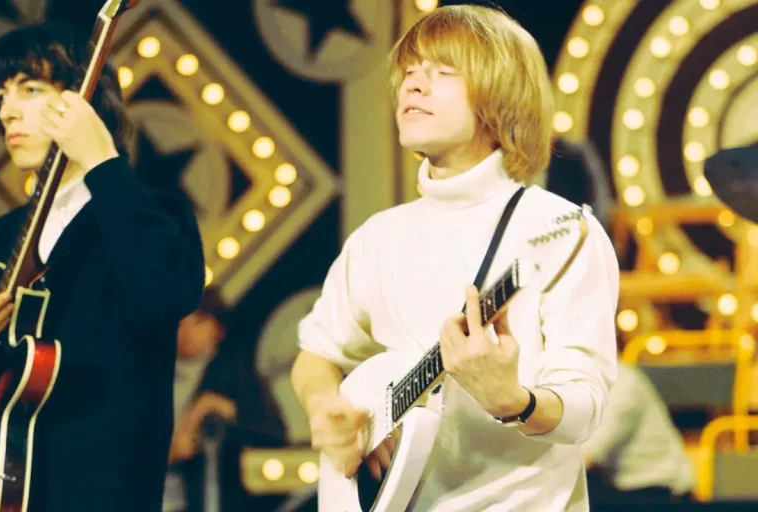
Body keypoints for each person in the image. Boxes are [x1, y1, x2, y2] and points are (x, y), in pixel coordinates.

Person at [290, 5, 619, 511]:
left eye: (442, 72)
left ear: (500, 97)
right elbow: (317, 354)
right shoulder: (378, 238)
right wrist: (326, 407)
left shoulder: (560, 232)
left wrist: (514, 401)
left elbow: (586, 406)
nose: (413, 86)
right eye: (410, 72)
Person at [0, 22, 204, 512]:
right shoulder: (1, 237)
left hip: (107, 494)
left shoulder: (155, 211)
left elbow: (168, 292)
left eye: (30, 89)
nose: (6, 110)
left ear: (83, 102)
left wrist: (104, 163)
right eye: (2, 94)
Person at [582, 361, 695, 506]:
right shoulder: (578, 382)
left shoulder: (621, 382)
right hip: (617, 488)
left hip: (658, 491)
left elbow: (587, 456)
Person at [164, 289, 236, 512]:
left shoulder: (231, 373)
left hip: (198, 495)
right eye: (179, 324)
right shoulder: (152, 371)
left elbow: (264, 424)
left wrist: (204, 407)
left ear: (218, 328)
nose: (185, 332)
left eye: (196, 322)